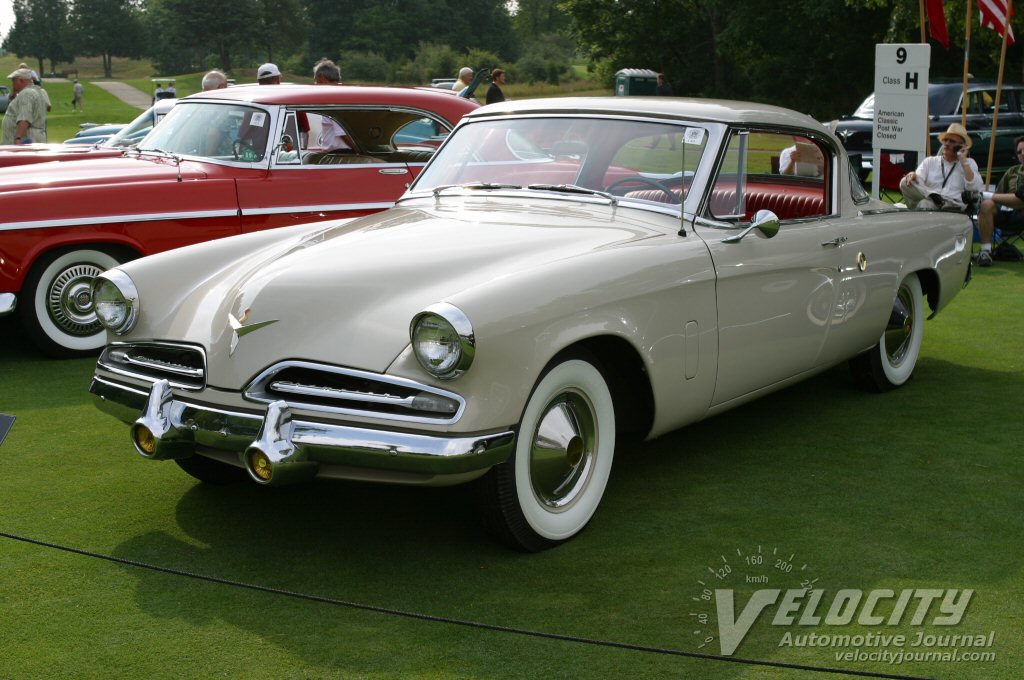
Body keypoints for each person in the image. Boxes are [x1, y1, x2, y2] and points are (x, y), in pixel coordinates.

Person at [899, 123, 982, 211]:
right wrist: (913, 175)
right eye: (945, 140)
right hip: (932, 202)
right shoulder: (930, 161)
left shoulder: (969, 163)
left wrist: (964, 162)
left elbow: (975, 189)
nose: (946, 143)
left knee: (924, 204)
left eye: (952, 141)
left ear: (961, 146)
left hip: (954, 206)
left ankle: (938, 200)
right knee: (905, 182)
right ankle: (936, 198)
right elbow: (918, 182)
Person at [975, 135, 1024, 266]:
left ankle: (985, 195)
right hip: (1006, 213)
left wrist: (986, 194)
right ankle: (985, 252)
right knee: (986, 204)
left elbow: (1021, 198)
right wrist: (990, 198)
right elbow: (999, 195)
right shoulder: (1012, 172)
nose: (1022, 154)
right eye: (1019, 152)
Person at [312, 58, 351, 151]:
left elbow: (343, 134)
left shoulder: (334, 99)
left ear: (323, 79)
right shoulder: (345, 95)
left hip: (339, 153)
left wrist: (360, 150)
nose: (315, 85)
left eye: (316, 82)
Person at [2, 68, 47, 144]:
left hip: (26, 140)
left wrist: (18, 138)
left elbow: (25, 118)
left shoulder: (26, 94)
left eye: (14, 81)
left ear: (21, 81)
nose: (12, 84)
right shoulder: (38, 92)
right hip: (36, 138)